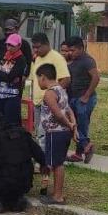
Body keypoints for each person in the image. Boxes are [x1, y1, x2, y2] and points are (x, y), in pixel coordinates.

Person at [36, 63, 77, 205]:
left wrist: (69, 124)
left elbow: (58, 114)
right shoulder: (61, 89)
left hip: (56, 132)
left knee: (57, 164)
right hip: (63, 132)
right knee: (57, 162)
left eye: (37, 79)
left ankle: (57, 196)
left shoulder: (50, 93)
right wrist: (73, 126)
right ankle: (55, 193)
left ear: (43, 77)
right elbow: (69, 110)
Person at [29, 32, 71, 150]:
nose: (36, 50)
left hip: (50, 104)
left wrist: (52, 96)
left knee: (45, 133)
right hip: (37, 102)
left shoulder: (56, 58)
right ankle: (44, 157)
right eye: (34, 47)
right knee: (39, 132)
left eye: (38, 47)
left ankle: (45, 160)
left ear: (47, 44)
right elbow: (34, 79)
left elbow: (66, 80)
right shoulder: (36, 58)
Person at [65, 36, 100, 164]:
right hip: (73, 97)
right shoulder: (71, 59)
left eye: (73, 50)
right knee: (73, 123)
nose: (70, 53)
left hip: (84, 98)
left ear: (81, 48)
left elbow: (96, 78)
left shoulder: (87, 61)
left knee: (81, 124)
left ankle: (82, 150)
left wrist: (86, 96)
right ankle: (84, 147)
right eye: (69, 50)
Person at [0, 33, 28, 126]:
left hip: (12, 96)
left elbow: (10, 77)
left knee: (10, 123)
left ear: (19, 45)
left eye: (12, 45)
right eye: (8, 44)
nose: (9, 47)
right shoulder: (4, 55)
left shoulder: (21, 59)